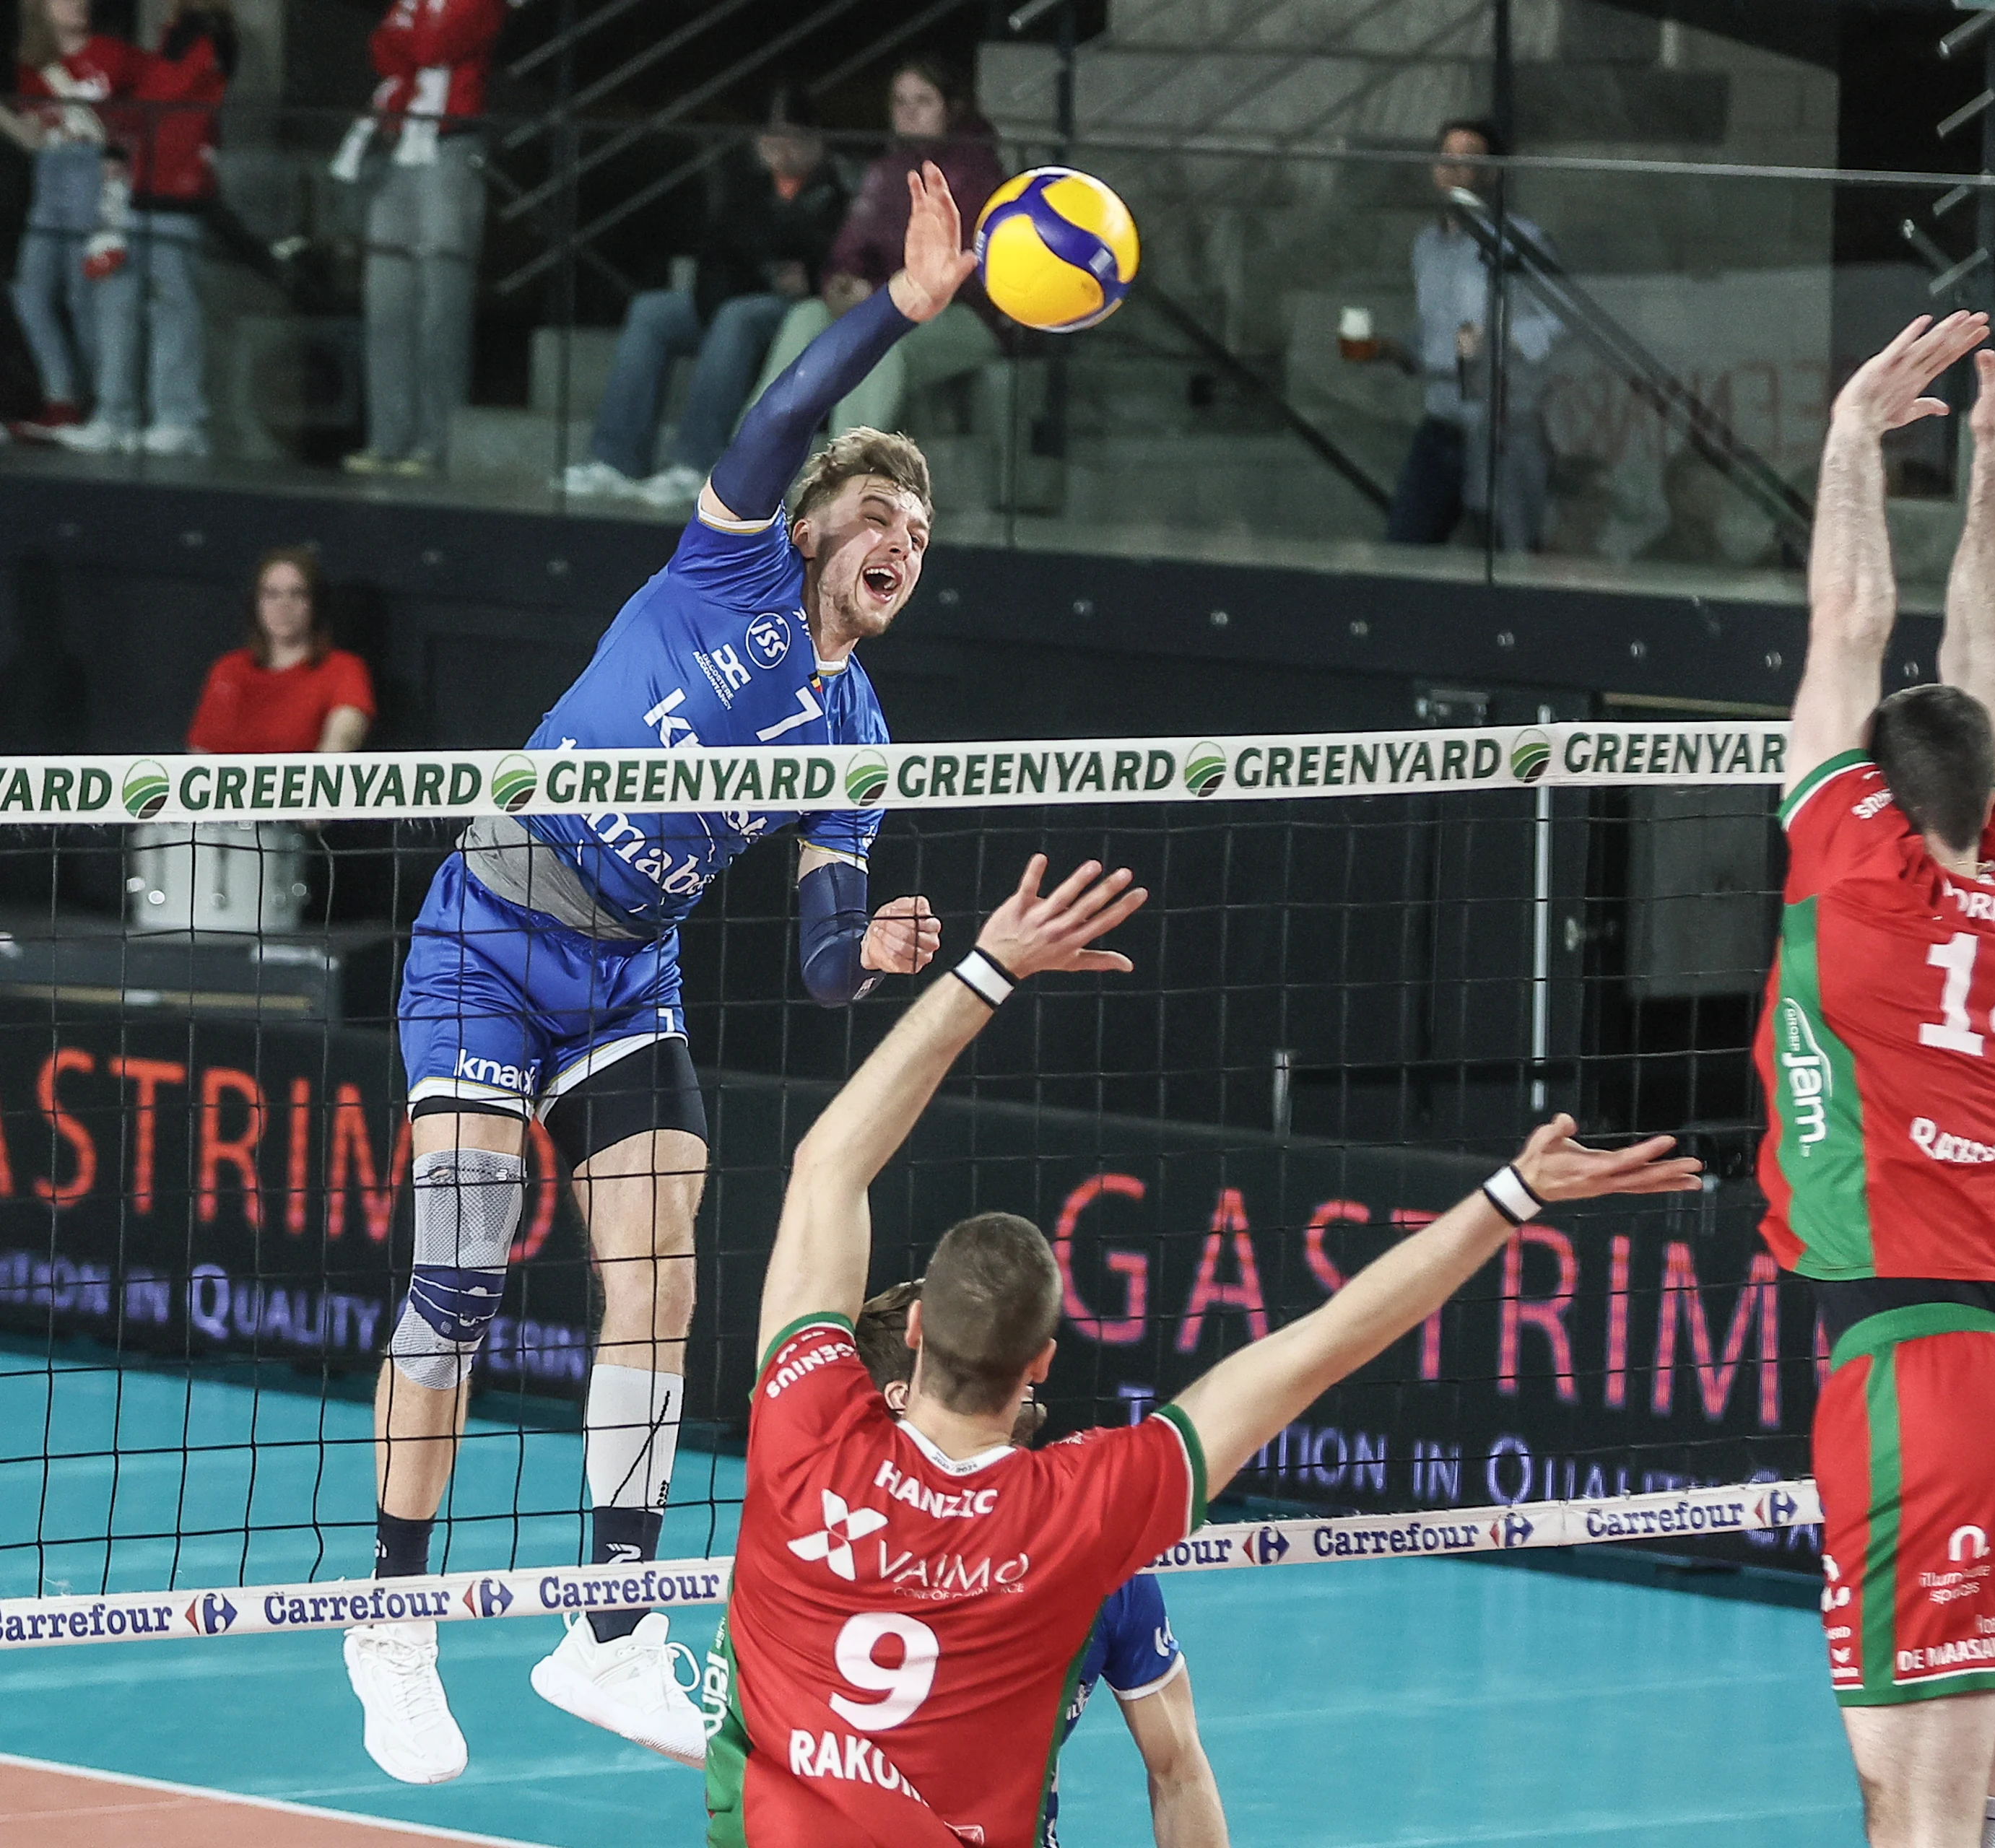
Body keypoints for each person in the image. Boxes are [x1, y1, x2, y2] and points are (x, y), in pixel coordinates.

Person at [339, 165, 983, 1784]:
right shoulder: (731, 566)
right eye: (881, 513)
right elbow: (787, 401)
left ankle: (611, 1621)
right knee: (465, 1265)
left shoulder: (859, 742)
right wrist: (902, 308)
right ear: (820, 524)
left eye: (922, 529)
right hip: (492, 932)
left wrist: (880, 948)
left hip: (630, 978)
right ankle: (392, 1617)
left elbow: (827, 961)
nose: (900, 538)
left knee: (667, 1266)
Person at [702, 855, 1695, 1847]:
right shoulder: (1079, 1520)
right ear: (1042, 1360)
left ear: (909, 1334)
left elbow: (830, 1163)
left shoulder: (807, 1429)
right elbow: (1320, 1348)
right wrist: (1511, 1198)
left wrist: (991, 967)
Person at [1759, 309, 1995, 1848]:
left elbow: (1848, 624)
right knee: (1939, 1814)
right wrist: (1993, 462)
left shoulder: (1856, 883)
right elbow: (1991, 666)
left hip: (1916, 1382)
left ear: (1876, 798)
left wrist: (1851, 436)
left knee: (1914, 1822)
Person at [843, 1285, 1231, 1848]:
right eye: (974, 1360)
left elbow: (1178, 1770)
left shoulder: (1092, 1542)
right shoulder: (830, 1551)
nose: (1014, 1365)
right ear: (904, 1394)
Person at [559, 84, 850, 507]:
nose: (777, 146)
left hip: (799, 308)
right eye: (769, 134)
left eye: (789, 134)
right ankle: (616, 459)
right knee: (652, 312)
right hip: (738, 293)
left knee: (737, 318)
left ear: (815, 139)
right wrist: (760, 254)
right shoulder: (747, 182)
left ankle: (697, 463)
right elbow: (719, 247)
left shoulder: (837, 184)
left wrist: (782, 258)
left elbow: (826, 253)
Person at [749, 61, 1004, 445]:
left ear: (951, 108)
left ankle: (841, 481)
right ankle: (746, 471)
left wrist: (882, 295)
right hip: (887, 301)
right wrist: (840, 282)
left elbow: (959, 271)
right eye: (899, 101)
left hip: (964, 314)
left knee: (876, 342)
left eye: (923, 101)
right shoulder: (887, 169)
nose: (909, 111)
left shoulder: (976, 171)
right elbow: (850, 246)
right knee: (807, 317)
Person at [1364, 118, 1562, 555]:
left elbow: (1562, 323)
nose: (1454, 170)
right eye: (1445, 159)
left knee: (1517, 560)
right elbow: (1435, 335)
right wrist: (1395, 349)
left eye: (1468, 160)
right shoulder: (1425, 246)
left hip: (1502, 430)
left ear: (1491, 173)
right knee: (1405, 553)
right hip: (1441, 427)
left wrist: (1500, 337)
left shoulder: (1521, 241)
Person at [331, 0, 508, 477]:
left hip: (449, 149)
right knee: (386, 304)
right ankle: (387, 441)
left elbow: (433, 44)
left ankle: (434, 444)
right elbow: (382, 51)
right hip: (398, 146)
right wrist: (409, 34)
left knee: (439, 310)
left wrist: (410, 31)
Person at [59, 0, 234, 457]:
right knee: (115, 303)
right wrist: (119, 138)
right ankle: (114, 414)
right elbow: (153, 101)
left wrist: (122, 119)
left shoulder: (207, 32)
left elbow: (170, 96)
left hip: (176, 191)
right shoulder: (172, 32)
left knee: (171, 309)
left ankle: (179, 419)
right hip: (140, 185)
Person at [3, 0, 132, 438]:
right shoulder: (30, 64)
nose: (78, 3)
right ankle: (61, 397)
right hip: (49, 176)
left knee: (85, 297)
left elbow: (140, 116)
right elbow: (33, 136)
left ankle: (94, 401)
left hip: (93, 179)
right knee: (29, 292)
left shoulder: (115, 54)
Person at [186, 546, 374, 753]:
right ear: (256, 603)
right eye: (272, 594)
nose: (284, 605)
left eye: (297, 593)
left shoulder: (342, 669)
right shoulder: (229, 669)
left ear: (315, 603)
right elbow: (200, 754)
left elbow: (338, 747)